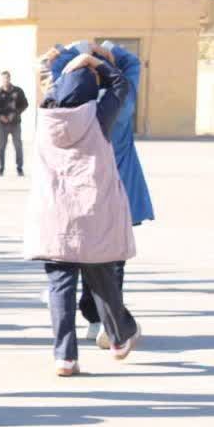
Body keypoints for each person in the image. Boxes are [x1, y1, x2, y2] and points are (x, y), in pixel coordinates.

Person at [24, 52, 141, 375]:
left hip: (55, 217)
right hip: (92, 215)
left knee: (60, 286)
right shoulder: (98, 116)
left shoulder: (45, 117)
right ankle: (118, 338)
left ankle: (65, 357)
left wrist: (67, 72)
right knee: (102, 279)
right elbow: (120, 85)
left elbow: (50, 89)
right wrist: (94, 62)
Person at [46, 41, 154, 347]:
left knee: (80, 258)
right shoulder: (120, 103)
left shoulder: (62, 111)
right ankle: (107, 323)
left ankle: (91, 321)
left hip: (76, 195)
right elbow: (132, 63)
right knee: (113, 260)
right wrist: (106, 50)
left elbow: (57, 68)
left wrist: (77, 50)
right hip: (119, 192)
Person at [0, 70, 28, 176]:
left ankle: (19, 168)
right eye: (3, 78)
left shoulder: (18, 91)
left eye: (7, 78)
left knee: (18, 146)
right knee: (1, 147)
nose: (5, 80)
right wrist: (0, 116)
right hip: (3, 125)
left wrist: (15, 113)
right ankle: (1, 168)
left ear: (10, 78)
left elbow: (25, 104)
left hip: (15, 123)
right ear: (1, 80)